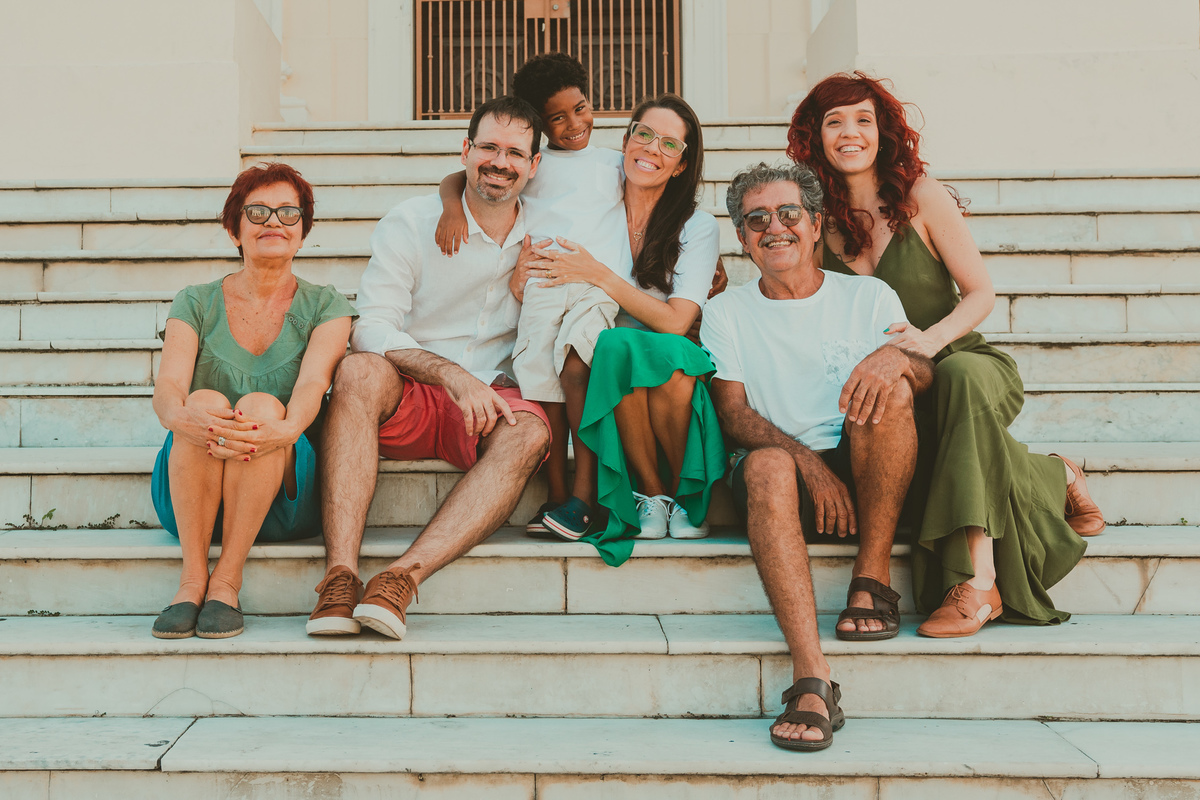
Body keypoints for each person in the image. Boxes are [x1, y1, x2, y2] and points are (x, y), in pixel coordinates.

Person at [788, 72, 1104, 638]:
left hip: (961, 358)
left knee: (957, 376)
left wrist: (930, 341)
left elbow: (981, 292)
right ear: (816, 135)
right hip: (888, 391)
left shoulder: (921, 197)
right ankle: (1052, 474)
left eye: (863, 120)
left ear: (883, 131)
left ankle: (978, 583)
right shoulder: (815, 220)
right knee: (944, 449)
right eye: (834, 122)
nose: (850, 133)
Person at [704, 162, 934, 750]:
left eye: (788, 214)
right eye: (757, 219)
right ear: (742, 237)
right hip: (782, 480)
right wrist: (807, 463)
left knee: (891, 389)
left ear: (813, 224)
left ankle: (871, 578)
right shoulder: (726, 311)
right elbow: (732, 414)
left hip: (871, 472)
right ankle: (812, 678)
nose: (774, 228)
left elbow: (925, 372)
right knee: (766, 463)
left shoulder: (868, 294)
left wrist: (898, 360)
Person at [305, 96, 552, 640]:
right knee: (357, 370)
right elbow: (372, 326)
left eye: (515, 153)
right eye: (488, 147)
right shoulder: (412, 222)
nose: (500, 162)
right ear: (465, 151)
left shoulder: (549, 231)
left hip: (489, 399)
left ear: (534, 164)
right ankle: (339, 578)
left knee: (531, 433)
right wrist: (449, 374)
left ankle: (399, 579)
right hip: (411, 390)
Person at [150, 162, 355, 640]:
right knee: (202, 399)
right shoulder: (195, 301)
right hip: (191, 489)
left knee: (262, 406)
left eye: (289, 213)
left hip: (282, 493)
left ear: (303, 232)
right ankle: (192, 579)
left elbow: (312, 386)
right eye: (258, 211)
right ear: (234, 230)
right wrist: (185, 418)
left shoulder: (326, 305)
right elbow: (169, 387)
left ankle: (226, 582)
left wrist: (282, 430)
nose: (274, 222)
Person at [522, 93, 725, 566]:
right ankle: (650, 495)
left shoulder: (697, 226)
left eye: (669, 145)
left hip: (669, 360)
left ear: (681, 165)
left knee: (626, 346)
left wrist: (598, 274)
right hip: (611, 360)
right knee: (609, 346)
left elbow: (676, 322)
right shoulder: (597, 195)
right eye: (644, 133)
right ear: (627, 138)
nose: (652, 148)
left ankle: (683, 497)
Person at [433, 53, 625, 541]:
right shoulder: (532, 164)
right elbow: (457, 177)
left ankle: (585, 496)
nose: (574, 125)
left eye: (580, 109)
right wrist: (452, 208)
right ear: (538, 125)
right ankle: (557, 496)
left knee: (576, 369)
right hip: (542, 287)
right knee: (540, 383)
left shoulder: (614, 163)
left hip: (594, 287)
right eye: (557, 118)